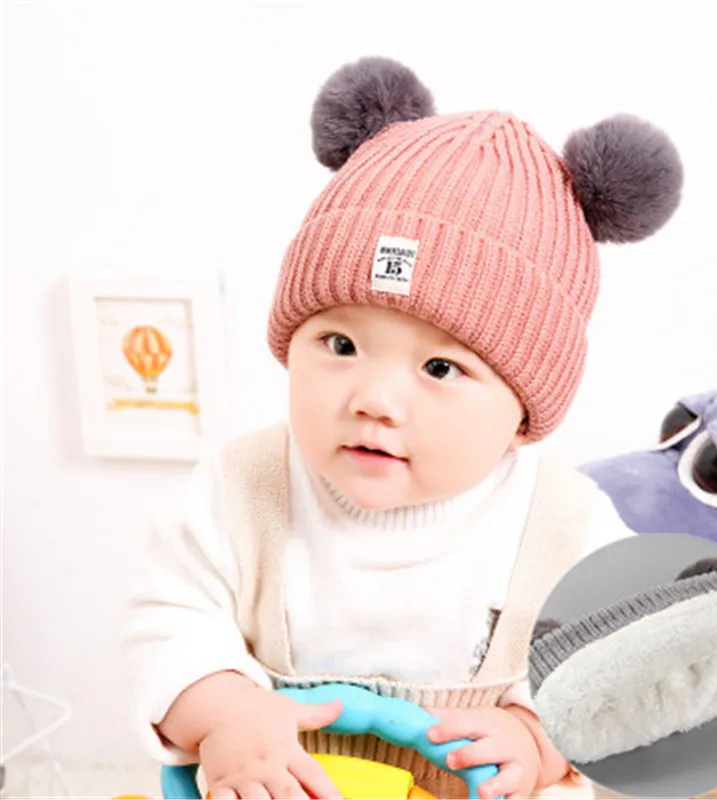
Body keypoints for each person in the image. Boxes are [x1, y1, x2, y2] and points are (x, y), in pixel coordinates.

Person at [122, 56, 683, 799]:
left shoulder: (566, 525)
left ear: (523, 415)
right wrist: (225, 710)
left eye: (441, 368)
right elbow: (169, 618)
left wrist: (538, 736)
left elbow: (630, 668)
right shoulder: (242, 487)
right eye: (340, 345)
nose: (376, 400)